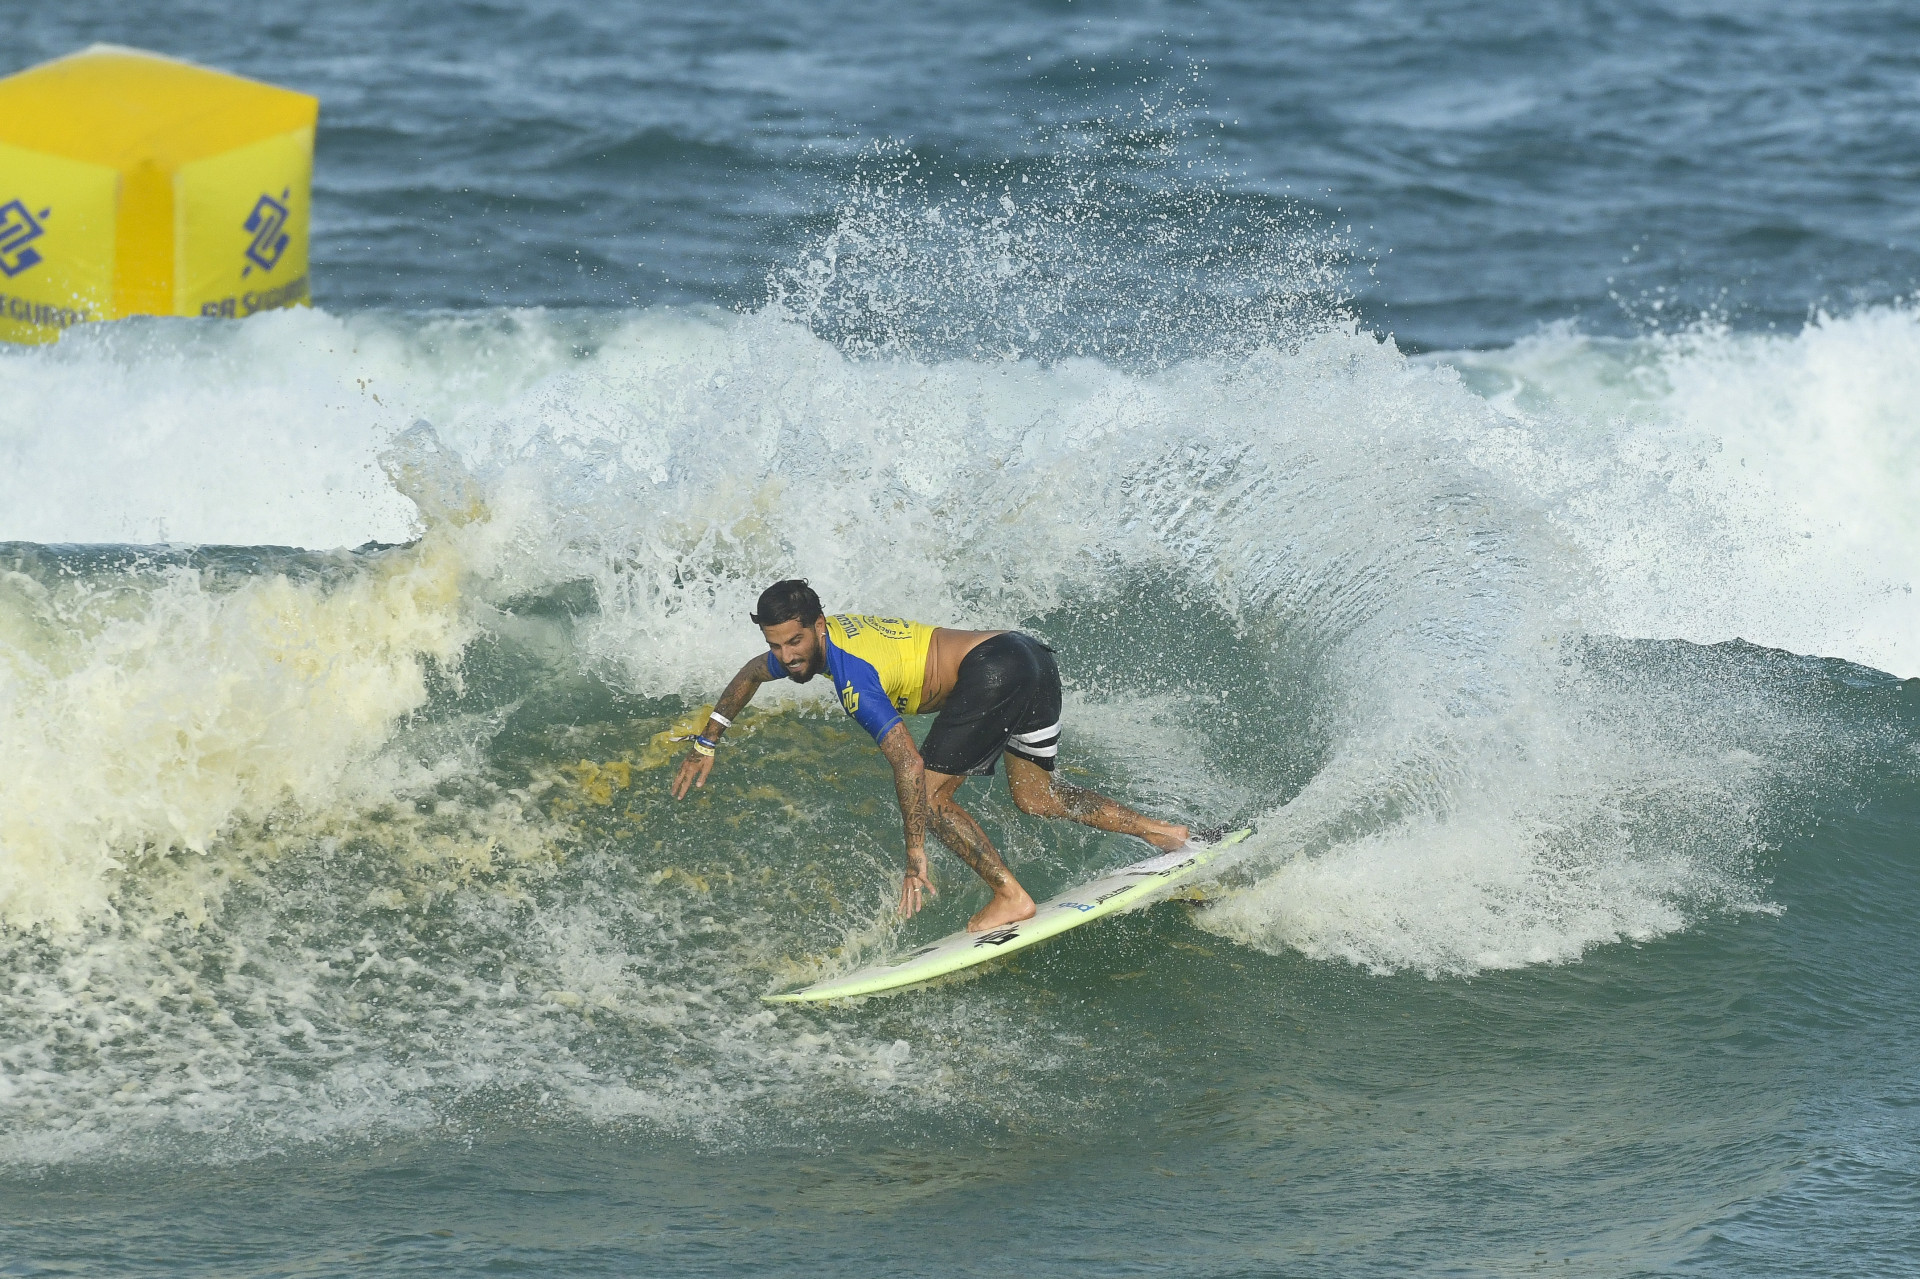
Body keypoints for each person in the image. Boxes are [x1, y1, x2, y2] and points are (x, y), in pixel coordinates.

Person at [669, 579, 1192, 932]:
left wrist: (915, 852)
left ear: (819, 626)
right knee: (1036, 796)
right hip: (1028, 656)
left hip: (992, 671)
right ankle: (1164, 833)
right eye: (777, 644)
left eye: (795, 642)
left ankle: (1011, 896)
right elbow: (752, 673)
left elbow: (909, 765)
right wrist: (707, 739)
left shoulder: (853, 678)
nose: (787, 657)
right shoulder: (810, 647)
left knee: (933, 799)